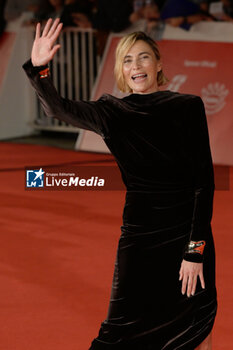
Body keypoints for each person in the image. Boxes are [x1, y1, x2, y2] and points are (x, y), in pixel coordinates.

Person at [22, 18, 217, 350]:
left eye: (142, 57)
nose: (135, 65)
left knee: (195, 324)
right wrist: (40, 68)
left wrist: (194, 251)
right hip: (140, 238)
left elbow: (204, 182)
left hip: (187, 233)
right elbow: (57, 108)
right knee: (121, 328)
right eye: (127, 59)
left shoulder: (187, 107)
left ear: (157, 64)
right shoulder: (111, 112)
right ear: (121, 71)